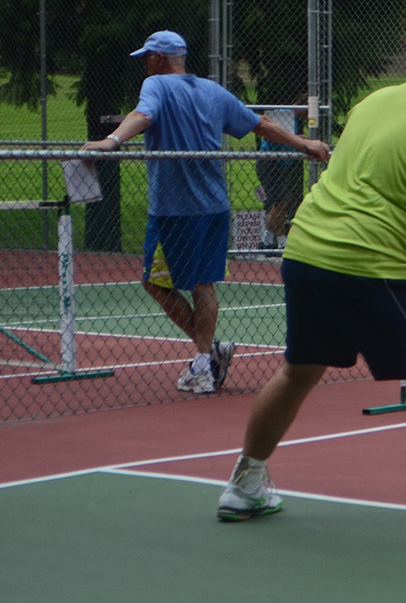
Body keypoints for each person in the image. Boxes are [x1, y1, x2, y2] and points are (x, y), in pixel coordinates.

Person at [211, 24, 406, 548]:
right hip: (371, 266)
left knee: (298, 370)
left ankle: (244, 485)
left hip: (307, 253)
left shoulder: (375, 103)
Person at [83, 31, 328, 395]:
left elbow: (142, 115)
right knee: (203, 284)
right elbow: (260, 124)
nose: (145, 64)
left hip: (175, 209)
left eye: (148, 57)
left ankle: (204, 359)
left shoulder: (157, 85)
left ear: (160, 59)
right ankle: (207, 357)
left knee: (154, 282)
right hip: (215, 206)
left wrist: (110, 141)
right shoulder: (212, 91)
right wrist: (304, 143)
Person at [254, 107, 306, 250]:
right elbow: (271, 136)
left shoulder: (297, 120)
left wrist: (298, 140)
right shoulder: (284, 114)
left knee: (282, 203)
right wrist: (296, 140)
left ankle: (268, 240)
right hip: (270, 162)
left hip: (283, 164)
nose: (307, 118)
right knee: (279, 202)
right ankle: (281, 242)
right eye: (306, 113)